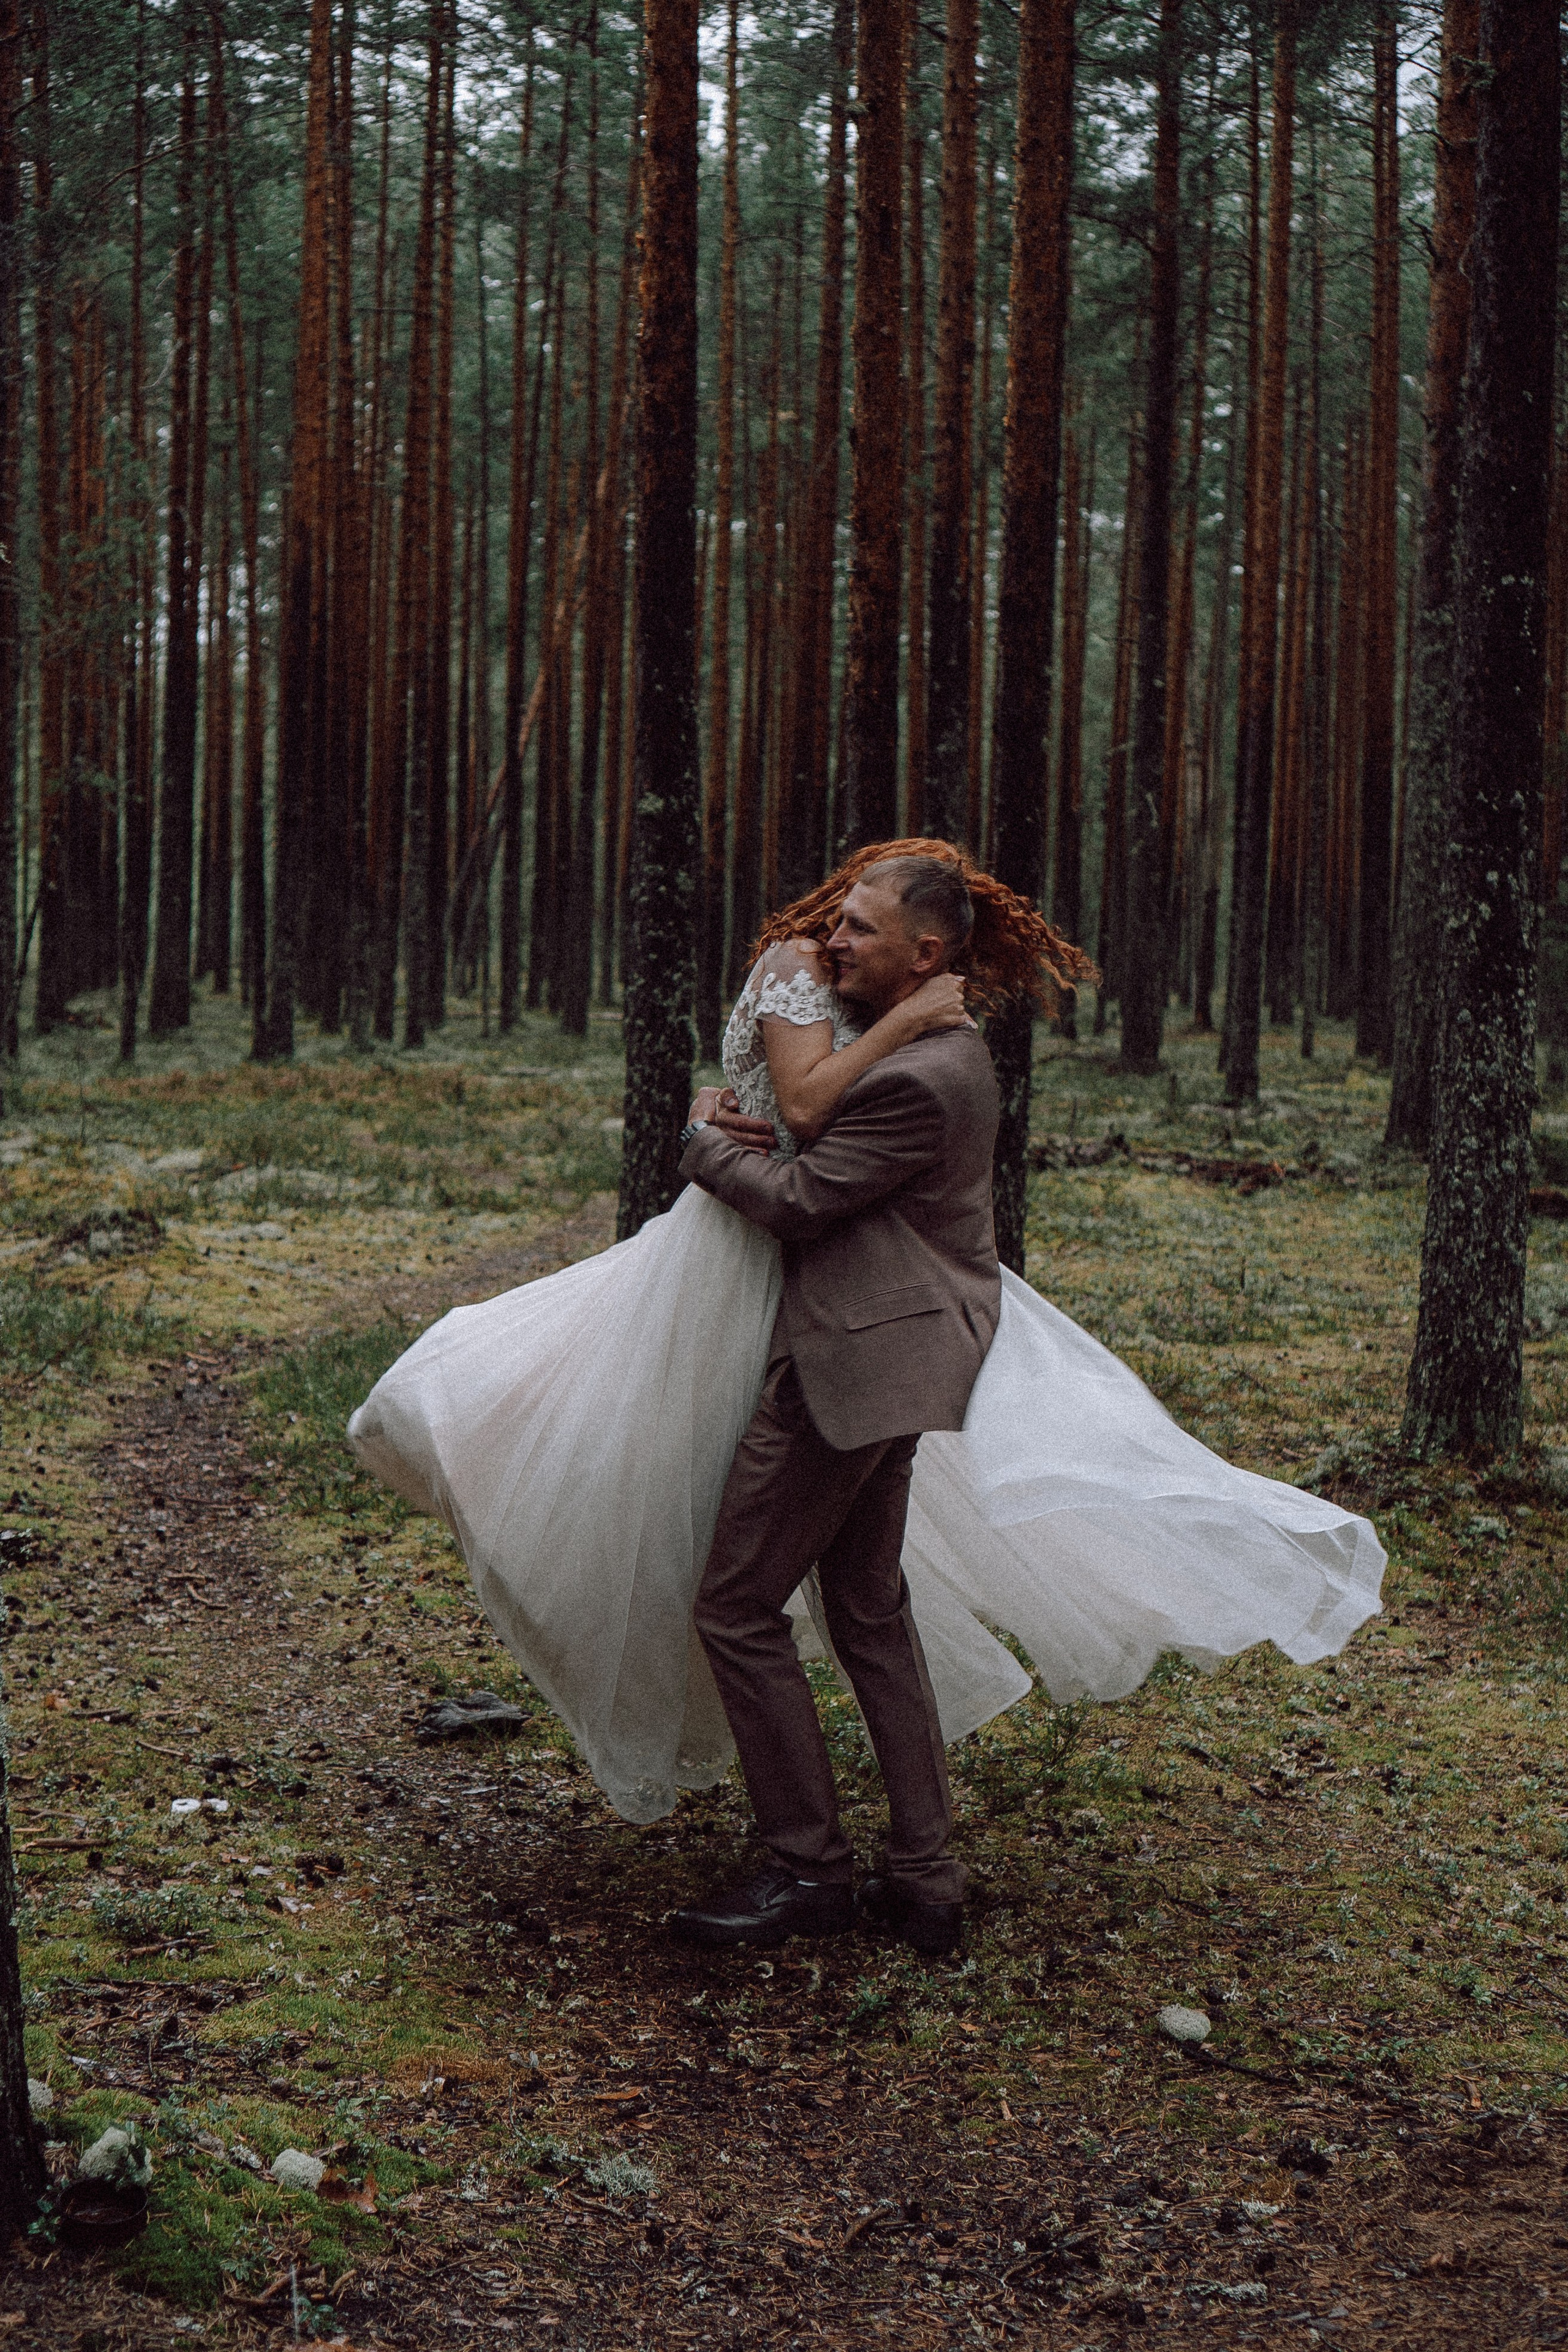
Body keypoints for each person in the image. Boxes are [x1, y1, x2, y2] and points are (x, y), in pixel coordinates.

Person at [348, 839, 1385, 1950]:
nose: (831, 939)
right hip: (887, 1352)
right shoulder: (922, 1051)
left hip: (854, 1361)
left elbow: (800, 1199)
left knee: (737, 1606)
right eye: (836, 922)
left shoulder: (922, 1077)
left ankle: (808, 1872)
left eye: (861, 929)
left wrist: (700, 1143)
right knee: (869, 1604)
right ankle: (926, 1878)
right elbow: (807, 1136)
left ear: (926, 953)